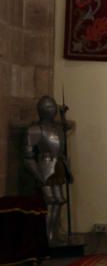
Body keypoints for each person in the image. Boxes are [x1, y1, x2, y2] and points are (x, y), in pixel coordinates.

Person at [23, 95, 73, 242]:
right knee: (50, 200)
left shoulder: (57, 127)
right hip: (44, 166)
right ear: (42, 110)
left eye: (53, 108)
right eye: (49, 108)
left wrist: (63, 114)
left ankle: (53, 234)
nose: (51, 111)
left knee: (59, 200)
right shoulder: (35, 130)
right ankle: (46, 236)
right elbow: (27, 157)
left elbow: (66, 127)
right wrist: (38, 174)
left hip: (58, 165)